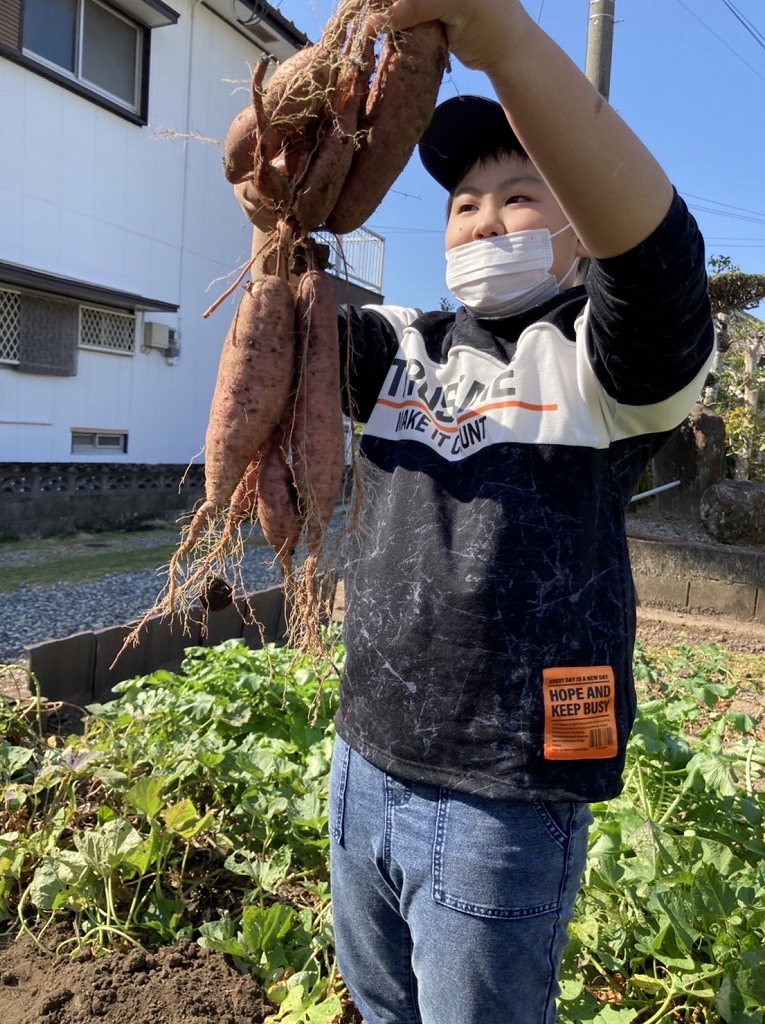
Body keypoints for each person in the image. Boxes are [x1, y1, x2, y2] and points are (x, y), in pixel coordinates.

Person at [238, 2, 715, 1021]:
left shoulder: (598, 364)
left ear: (580, 226)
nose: (484, 215)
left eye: (519, 195)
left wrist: (499, 43)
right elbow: (295, 321)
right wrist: (282, 191)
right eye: (462, 202)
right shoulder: (405, 343)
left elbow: (660, 265)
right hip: (364, 756)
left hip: (505, 788)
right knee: (377, 1005)